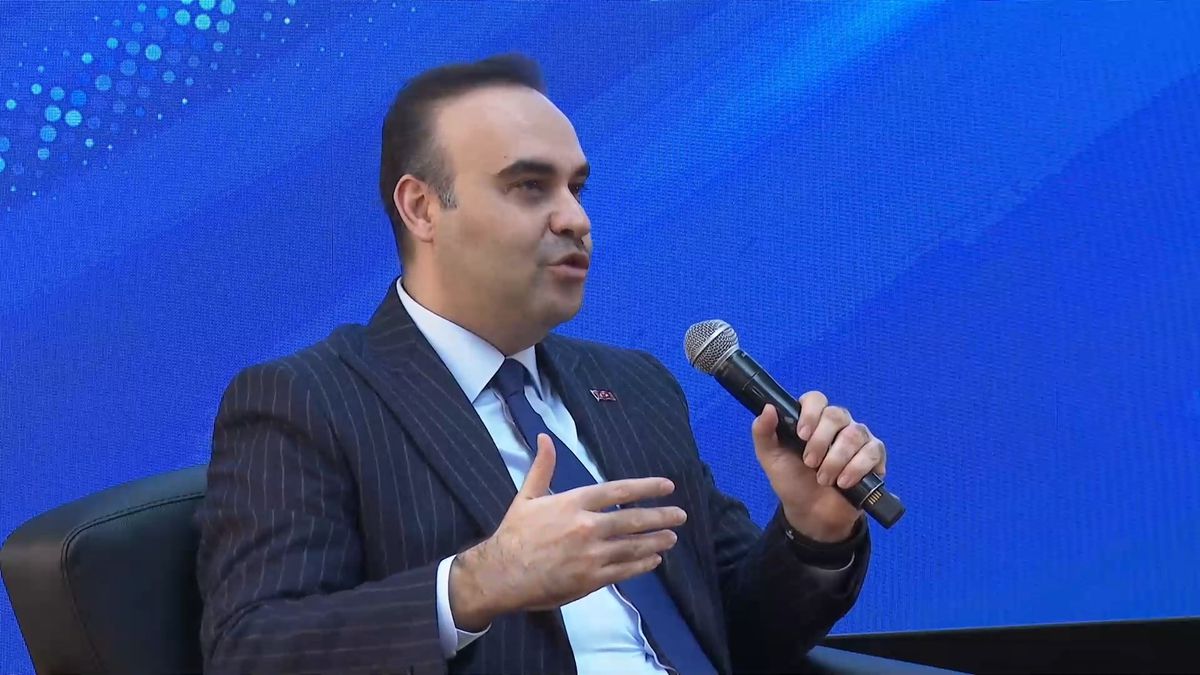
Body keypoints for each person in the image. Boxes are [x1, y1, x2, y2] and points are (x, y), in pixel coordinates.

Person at [195, 54, 889, 675]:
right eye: (530, 187)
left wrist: (813, 528)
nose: (575, 220)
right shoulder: (308, 400)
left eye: (576, 189)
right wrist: (475, 584)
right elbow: (252, 649)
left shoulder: (635, 386)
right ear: (422, 207)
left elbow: (735, 637)